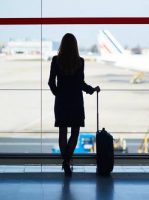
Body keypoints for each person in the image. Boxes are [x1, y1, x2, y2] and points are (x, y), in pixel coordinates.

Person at [48, 33, 100, 177]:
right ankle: (66, 161)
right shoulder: (80, 62)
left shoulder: (56, 61)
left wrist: (58, 93)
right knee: (75, 133)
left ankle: (65, 162)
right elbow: (81, 83)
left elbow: (51, 82)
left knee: (62, 133)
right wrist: (92, 90)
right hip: (76, 101)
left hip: (62, 102)